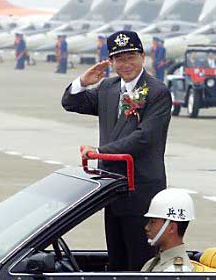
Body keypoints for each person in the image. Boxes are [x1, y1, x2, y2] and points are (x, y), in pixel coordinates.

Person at [61, 30, 172, 271]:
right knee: (117, 259)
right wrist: (83, 82)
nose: (126, 64)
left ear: (143, 56)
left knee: (140, 262)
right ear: (111, 62)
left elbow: (144, 138)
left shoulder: (157, 92)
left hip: (141, 190)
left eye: (131, 57)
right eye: (119, 59)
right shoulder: (108, 88)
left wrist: (100, 152)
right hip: (112, 190)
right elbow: (71, 103)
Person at [141, 188, 195, 272]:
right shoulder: (153, 263)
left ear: (171, 228)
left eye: (153, 222)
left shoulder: (175, 272)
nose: (147, 227)